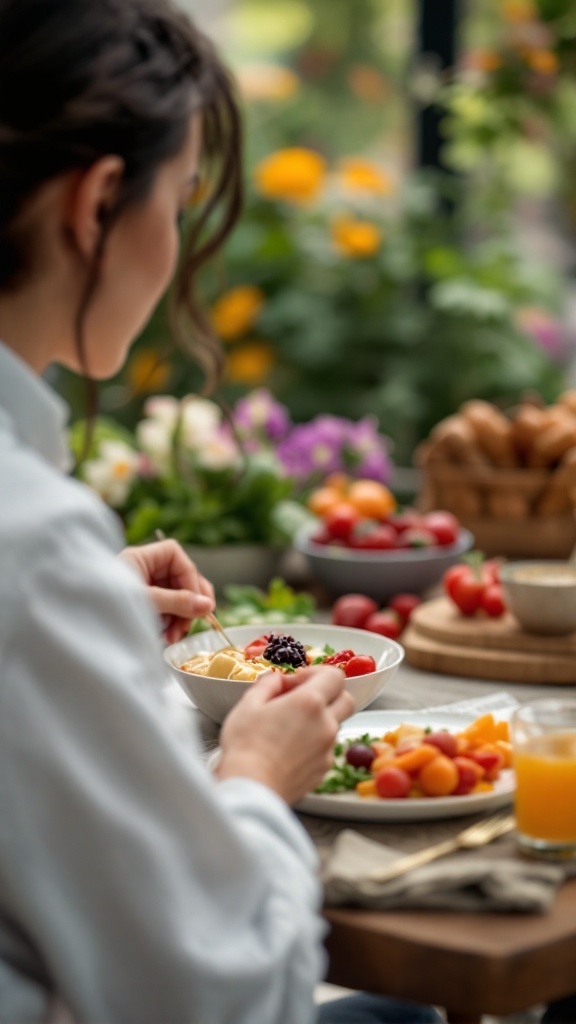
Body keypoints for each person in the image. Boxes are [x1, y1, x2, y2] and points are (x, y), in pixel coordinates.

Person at [0, 1, 444, 1022]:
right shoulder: (29, 541)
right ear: (98, 200)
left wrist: (82, 606)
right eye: (181, 200)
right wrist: (254, 776)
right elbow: (214, 991)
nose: (177, 246)